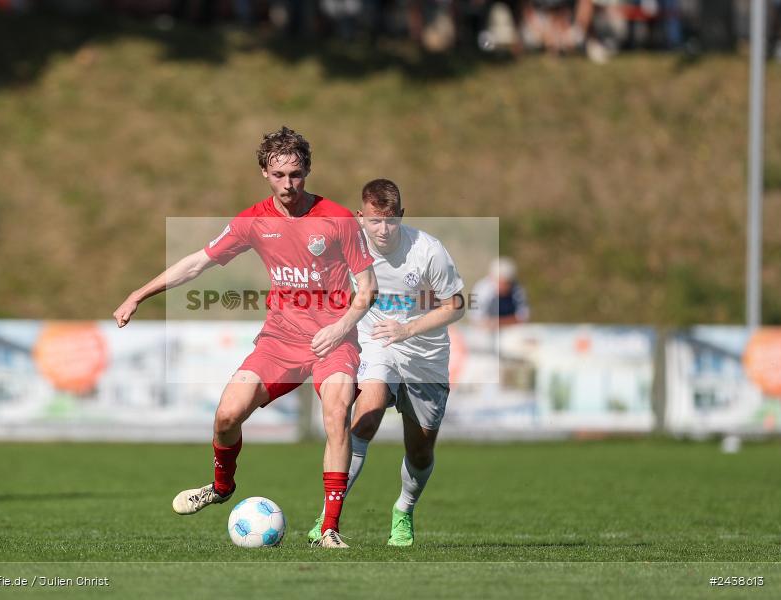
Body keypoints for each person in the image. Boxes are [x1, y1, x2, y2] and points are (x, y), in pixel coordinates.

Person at [113, 127, 377, 549]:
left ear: (307, 169)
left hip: (333, 340)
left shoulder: (339, 219)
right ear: (264, 173)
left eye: (296, 174)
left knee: (336, 416)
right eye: (279, 175)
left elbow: (367, 289)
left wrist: (341, 326)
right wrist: (139, 294)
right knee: (226, 415)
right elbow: (197, 263)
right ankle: (221, 487)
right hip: (280, 340)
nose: (289, 184)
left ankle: (329, 529)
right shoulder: (254, 221)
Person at [307, 178, 466, 546]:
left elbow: (455, 305)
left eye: (391, 221)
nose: (383, 229)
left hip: (425, 353)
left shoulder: (427, 251)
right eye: (375, 221)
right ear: (361, 217)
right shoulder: (348, 245)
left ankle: (404, 510)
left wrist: (408, 330)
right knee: (367, 412)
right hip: (375, 343)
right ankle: (330, 516)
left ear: (401, 216)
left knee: (421, 448)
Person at [469, 256, 529, 328]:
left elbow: (523, 316)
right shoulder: (479, 289)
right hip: (484, 332)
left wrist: (498, 322)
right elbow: (474, 317)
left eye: (507, 283)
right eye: (500, 282)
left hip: (512, 330)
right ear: (492, 277)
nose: (503, 286)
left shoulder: (518, 290)